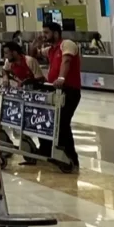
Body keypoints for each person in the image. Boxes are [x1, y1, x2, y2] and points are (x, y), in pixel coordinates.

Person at [38, 21, 82, 168]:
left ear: (56, 33)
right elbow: (34, 54)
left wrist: (61, 78)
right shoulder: (51, 49)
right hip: (54, 91)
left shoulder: (67, 44)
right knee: (51, 122)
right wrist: (35, 43)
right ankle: (51, 152)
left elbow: (67, 61)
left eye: (46, 33)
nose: (44, 35)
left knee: (62, 123)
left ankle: (70, 157)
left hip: (69, 91)